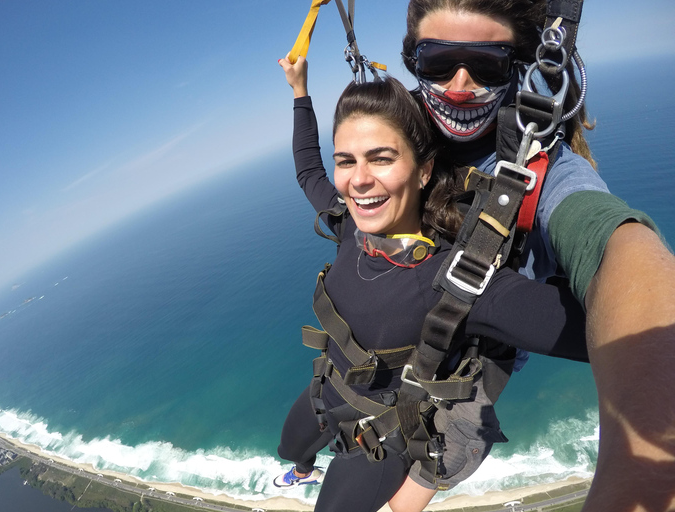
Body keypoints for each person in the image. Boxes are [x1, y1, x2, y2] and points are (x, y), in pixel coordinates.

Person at [391, 2, 675, 511]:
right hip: (391, 358)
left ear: (517, 67)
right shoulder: (391, 131)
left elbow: (610, 241)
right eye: (438, 61)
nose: (460, 85)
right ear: (413, 60)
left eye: (486, 64)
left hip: (458, 394)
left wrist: (642, 475)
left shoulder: (539, 170)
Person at [275, 57, 589, 511]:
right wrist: (299, 92)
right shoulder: (350, 227)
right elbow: (308, 170)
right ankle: (301, 470)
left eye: (381, 158)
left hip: (379, 438)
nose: (358, 180)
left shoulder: (455, 280)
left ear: (423, 171)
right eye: (347, 161)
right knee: (290, 447)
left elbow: (595, 327)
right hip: (325, 389)